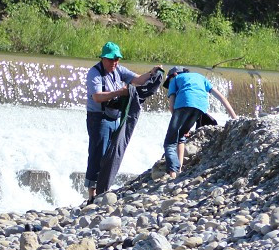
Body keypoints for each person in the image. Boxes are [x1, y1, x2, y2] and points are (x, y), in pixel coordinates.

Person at [85, 42, 162, 202]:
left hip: (115, 117)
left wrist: (152, 72)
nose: (115, 63)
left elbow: (138, 80)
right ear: (103, 58)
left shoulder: (118, 70)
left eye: (117, 59)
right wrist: (120, 92)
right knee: (97, 154)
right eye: (112, 60)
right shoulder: (95, 73)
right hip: (98, 119)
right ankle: (92, 196)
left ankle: (103, 190)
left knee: (112, 154)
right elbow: (97, 97)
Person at [162, 66, 238, 177]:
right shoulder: (200, 77)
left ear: (174, 74)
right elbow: (221, 97)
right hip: (200, 107)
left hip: (183, 104)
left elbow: (171, 105)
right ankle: (179, 169)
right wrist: (234, 118)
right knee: (181, 136)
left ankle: (173, 173)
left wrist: (177, 119)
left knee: (169, 142)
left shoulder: (175, 79)